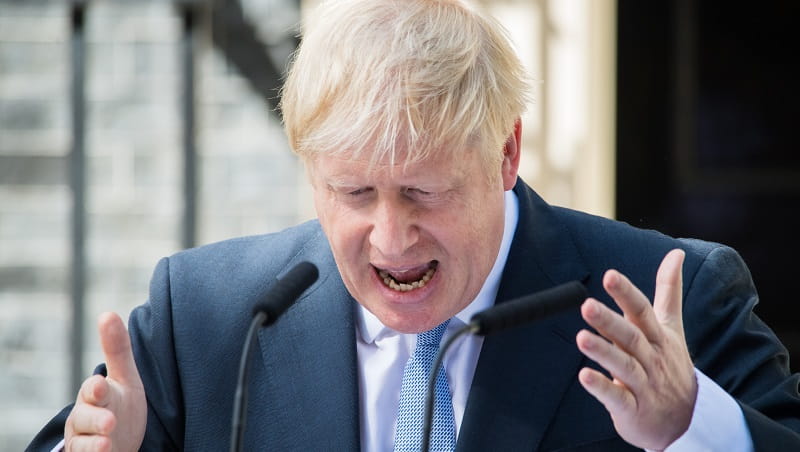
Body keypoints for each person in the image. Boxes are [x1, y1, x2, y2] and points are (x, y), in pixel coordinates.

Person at [29, 0, 800, 450]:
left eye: (424, 193)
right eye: (356, 192)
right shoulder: (207, 317)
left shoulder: (668, 303)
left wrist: (690, 426)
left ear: (506, 153)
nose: (392, 237)